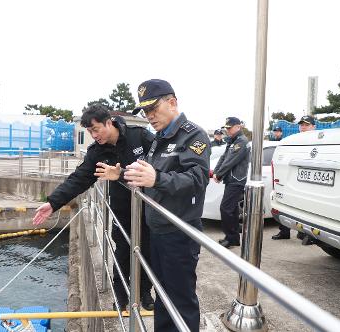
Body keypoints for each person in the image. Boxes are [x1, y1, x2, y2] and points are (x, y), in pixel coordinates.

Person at [32, 104, 155, 311]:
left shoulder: (140, 137)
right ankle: (121, 295)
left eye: (96, 129)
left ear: (109, 122)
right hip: (122, 209)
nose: (93, 135)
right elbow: (79, 179)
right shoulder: (97, 152)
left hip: (149, 208)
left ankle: (144, 291)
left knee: (148, 252)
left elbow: (161, 164)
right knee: (123, 252)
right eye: (89, 131)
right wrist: (53, 202)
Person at [125, 79, 210, 331]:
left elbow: (197, 179)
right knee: (162, 294)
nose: (149, 116)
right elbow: (153, 177)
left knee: (180, 299)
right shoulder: (158, 138)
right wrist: (126, 175)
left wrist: (157, 178)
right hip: (158, 229)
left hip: (179, 231)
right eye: (145, 111)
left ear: (172, 102)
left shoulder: (193, 134)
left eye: (153, 109)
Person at [272, 115, 316, 241]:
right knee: (287, 204)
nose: (303, 127)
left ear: (314, 127)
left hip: (310, 181)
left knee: (308, 207)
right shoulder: (293, 140)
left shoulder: (318, 141)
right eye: (301, 125)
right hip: (293, 179)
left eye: (306, 125)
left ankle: (308, 234)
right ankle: (284, 231)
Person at [212, 117, 250, 248]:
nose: (227, 130)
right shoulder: (233, 141)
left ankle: (230, 237)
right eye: (226, 128)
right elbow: (224, 157)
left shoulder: (241, 141)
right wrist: (217, 171)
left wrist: (219, 174)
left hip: (236, 180)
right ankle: (233, 238)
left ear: (238, 127)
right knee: (232, 209)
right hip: (231, 179)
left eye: (229, 127)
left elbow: (231, 161)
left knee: (226, 208)